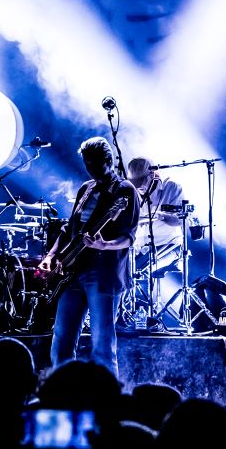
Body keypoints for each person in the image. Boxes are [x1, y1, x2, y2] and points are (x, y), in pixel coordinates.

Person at [40, 136, 140, 375]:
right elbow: (69, 228)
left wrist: (104, 245)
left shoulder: (125, 190)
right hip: (72, 273)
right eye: (87, 164)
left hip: (103, 274)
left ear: (109, 161)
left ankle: (108, 395)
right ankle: (62, 391)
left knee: (102, 346)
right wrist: (51, 255)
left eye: (95, 164)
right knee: (61, 341)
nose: (90, 169)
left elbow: (128, 237)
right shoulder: (86, 188)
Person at [124, 157, 188, 332]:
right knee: (120, 266)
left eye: (141, 181)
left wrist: (159, 215)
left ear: (152, 175)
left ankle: (148, 318)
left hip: (168, 246)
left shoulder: (171, 187)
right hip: (141, 247)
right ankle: (124, 315)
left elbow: (179, 221)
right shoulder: (132, 191)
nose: (138, 186)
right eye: (134, 182)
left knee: (138, 271)